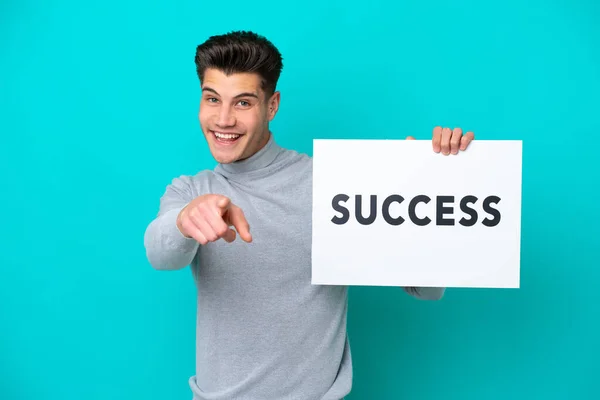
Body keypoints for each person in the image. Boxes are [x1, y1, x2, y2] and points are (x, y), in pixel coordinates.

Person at [144, 30, 475, 400]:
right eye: (212, 99)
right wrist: (185, 221)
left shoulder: (334, 185)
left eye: (242, 103)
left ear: (272, 106)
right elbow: (160, 253)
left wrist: (431, 190)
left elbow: (428, 289)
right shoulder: (189, 191)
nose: (223, 119)